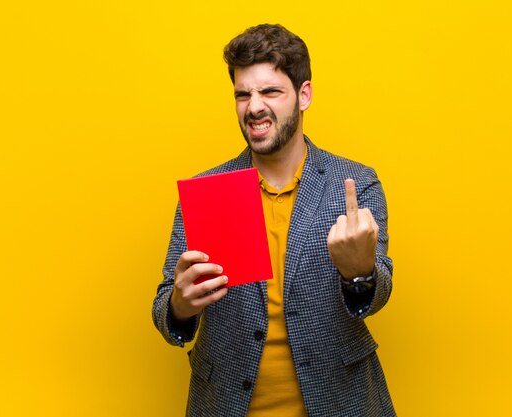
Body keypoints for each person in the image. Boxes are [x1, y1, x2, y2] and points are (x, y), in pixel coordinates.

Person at [152, 23, 396, 417]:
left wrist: (360, 273)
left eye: (270, 91)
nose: (254, 107)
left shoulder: (353, 185)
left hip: (339, 402)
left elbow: (376, 294)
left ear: (304, 95)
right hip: (225, 404)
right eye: (242, 94)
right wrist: (180, 305)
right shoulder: (206, 192)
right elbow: (166, 310)